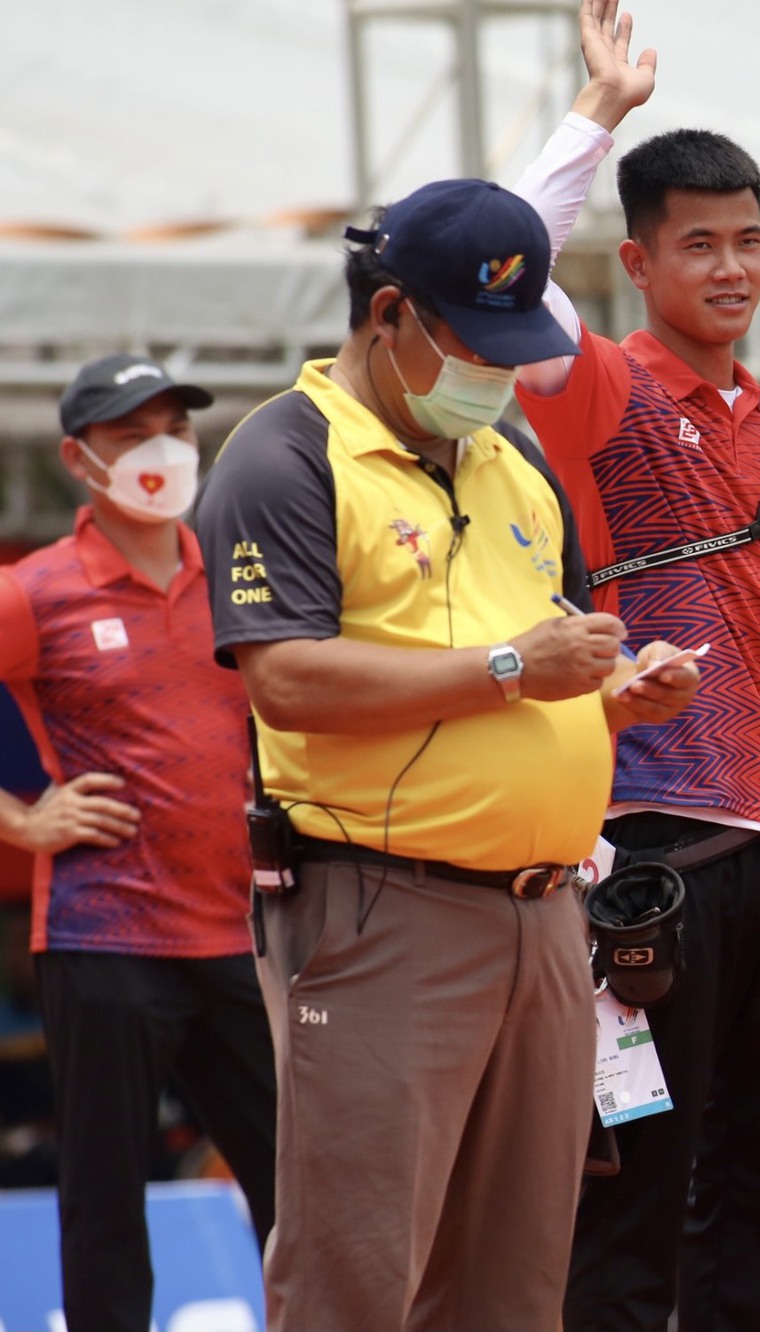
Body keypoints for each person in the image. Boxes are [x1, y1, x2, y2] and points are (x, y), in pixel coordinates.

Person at [193, 174, 699, 1331]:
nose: (501, 372)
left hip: (545, 918)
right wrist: (521, 670)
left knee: (515, 1286)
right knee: (356, 1276)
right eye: (478, 343)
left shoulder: (512, 463)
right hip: (380, 910)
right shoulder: (284, 456)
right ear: (388, 316)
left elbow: (530, 668)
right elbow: (288, 680)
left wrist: (610, 700)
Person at [505, 5, 760, 1327]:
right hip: (646, 852)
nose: (733, 266)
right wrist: (598, 110)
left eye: (750, 239)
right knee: (638, 1192)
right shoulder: (600, 393)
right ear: (637, 261)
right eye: (701, 243)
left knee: (757, 1192)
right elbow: (506, 262)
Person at [0, 355, 275, 1332]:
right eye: (130, 434)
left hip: (240, 936)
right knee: (107, 1205)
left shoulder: (242, 580)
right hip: (104, 942)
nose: (161, 450)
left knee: (301, 1188)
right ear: (78, 458)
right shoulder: (36, 591)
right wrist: (25, 820)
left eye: (177, 428)